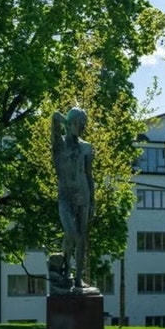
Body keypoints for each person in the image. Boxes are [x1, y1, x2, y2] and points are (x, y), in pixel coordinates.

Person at [51, 107, 95, 292]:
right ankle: (66, 270)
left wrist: (92, 201)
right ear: (71, 123)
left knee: (81, 238)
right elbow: (54, 118)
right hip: (65, 196)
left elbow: (89, 174)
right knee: (70, 233)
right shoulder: (59, 144)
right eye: (78, 123)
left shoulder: (86, 147)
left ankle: (77, 278)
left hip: (82, 196)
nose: (81, 128)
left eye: (83, 124)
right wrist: (67, 121)